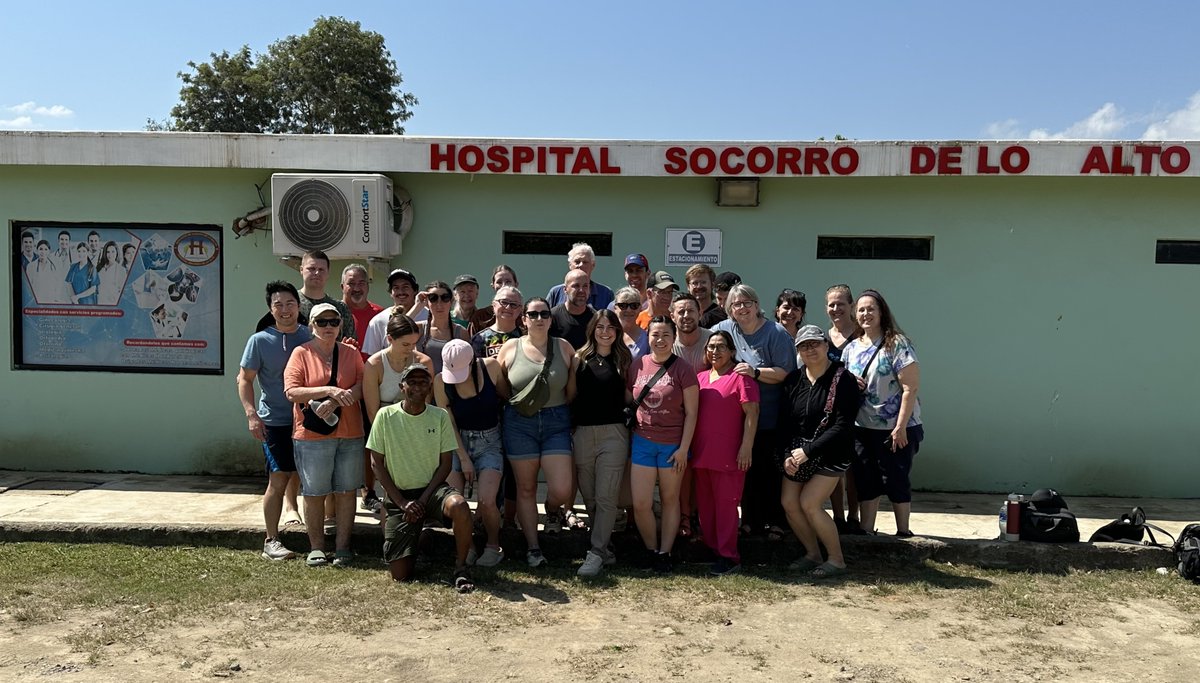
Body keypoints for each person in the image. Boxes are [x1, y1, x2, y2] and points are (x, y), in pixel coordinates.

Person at [368, 363, 476, 592]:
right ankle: (422, 539)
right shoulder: (385, 416)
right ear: (401, 386)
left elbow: (446, 463)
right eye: (412, 382)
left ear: (430, 387)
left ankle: (461, 567)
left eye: (423, 382)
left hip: (433, 491)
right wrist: (402, 503)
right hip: (400, 496)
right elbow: (376, 463)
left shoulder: (439, 416)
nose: (418, 387)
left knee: (460, 505)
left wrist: (423, 501)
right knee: (400, 575)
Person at [497, 297, 578, 567]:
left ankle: (553, 511)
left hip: (556, 420)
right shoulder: (510, 348)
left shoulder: (564, 348)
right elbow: (501, 387)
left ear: (551, 319)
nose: (539, 318)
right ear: (524, 319)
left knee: (562, 488)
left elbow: (572, 391)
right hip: (519, 423)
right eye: (533, 314)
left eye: (544, 314)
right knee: (527, 487)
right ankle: (533, 547)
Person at [283, 303, 366, 567]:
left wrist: (341, 399)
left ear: (340, 325)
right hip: (312, 435)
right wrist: (328, 391)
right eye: (322, 322)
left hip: (350, 433)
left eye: (333, 321)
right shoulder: (301, 353)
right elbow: (292, 391)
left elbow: (363, 384)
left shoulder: (352, 353)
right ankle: (316, 547)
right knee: (315, 492)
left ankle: (343, 547)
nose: (328, 327)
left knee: (346, 491)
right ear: (312, 326)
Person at [714, 283, 797, 540]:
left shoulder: (776, 333)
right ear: (729, 310)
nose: (742, 308)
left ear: (757, 305)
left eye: (747, 302)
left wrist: (756, 372)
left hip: (770, 417)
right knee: (745, 472)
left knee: (768, 471)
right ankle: (749, 521)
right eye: (736, 304)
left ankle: (774, 522)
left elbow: (787, 373)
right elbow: (711, 349)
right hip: (737, 419)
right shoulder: (725, 330)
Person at [779, 325, 861, 578]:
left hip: (832, 453)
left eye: (815, 343)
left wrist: (808, 451)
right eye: (804, 346)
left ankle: (836, 560)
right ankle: (812, 554)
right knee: (789, 503)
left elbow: (843, 425)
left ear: (826, 346)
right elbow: (784, 422)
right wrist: (786, 455)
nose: (810, 349)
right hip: (798, 451)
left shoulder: (844, 379)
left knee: (810, 503)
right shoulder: (793, 380)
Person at [237, 281, 311, 560]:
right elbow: (244, 379)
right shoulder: (259, 340)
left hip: (308, 420)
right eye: (278, 304)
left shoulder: (310, 335)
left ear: (298, 306)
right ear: (270, 309)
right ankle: (271, 540)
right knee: (278, 478)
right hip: (274, 421)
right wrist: (251, 414)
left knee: (311, 479)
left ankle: (318, 538)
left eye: (290, 303)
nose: (284, 310)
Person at [842, 290, 923, 537]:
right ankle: (867, 530)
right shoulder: (852, 347)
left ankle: (903, 532)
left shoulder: (897, 343)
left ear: (881, 313)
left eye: (871, 309)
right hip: (862, 426)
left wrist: (899, 427)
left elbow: (910, 387)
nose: (866, 314)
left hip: (896, 427)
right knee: (866, 478)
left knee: (896, 478)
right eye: (861, 310)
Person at [627, 316, 698, 573]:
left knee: (670, 500)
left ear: (674, 337)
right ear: (648, 336)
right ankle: (650, 549)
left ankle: (665, 553)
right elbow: (629, 400)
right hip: (642, 442)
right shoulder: (637, 365)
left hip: (672, 446)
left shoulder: (684, 369)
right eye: (655, 334)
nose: (660, 340)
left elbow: (692, 413)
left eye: (666, 335)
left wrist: (683, 449)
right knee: (642, 503)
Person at [433, 339, 508, 567]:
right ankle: (468, 547)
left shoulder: (491, 367)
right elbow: (448, 422)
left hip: (490, 440)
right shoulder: (440, 382)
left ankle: (494, 546)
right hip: (457, 441)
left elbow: (505, 395)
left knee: (486, 500)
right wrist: (463, 458)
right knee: (457, 502)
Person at [692, 330, 758, 575]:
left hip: (729, 455)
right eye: (710, 347)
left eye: (721, 347)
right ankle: (712, 550)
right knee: (707, 507)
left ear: (732, 351)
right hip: (701, 454)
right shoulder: (699, 377)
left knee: (726, 508)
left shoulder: (741, 377)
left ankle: (729, 556)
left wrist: (746, 447)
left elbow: (752, 413)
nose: (714, 351)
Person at [572, 309, 633, 577]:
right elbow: (570, 395)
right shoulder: (578, 358)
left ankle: (595, 553)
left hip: (614, 434)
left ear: (618, 331)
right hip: (583, 433)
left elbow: (632, 397)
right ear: (592, 330)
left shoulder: (625, 359)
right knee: (590, 497)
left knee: (607, 496)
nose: (605, 331)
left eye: (611, 327)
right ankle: (605, 550)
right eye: (600, 327)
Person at [363, 313, 434, 512]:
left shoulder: (424, 362)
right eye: (405, 344)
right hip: (386, 428)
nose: (412, 349)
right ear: (389, 339)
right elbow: (372, 412)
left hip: (417, 427)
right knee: (391, 483)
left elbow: (426, 404)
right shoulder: (374, 364)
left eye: (415, 343)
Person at [669, 292, 712, 540]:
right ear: (672, 315)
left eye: (690, 310)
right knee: (682, 469)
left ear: (700, 313)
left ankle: (700, 515)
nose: (686, 316)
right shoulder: (666, 342)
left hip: (708, 416)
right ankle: (684, 515)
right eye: (681, 311)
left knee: (703, 469)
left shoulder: (711, 341)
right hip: (676, 418)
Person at [824, 284, 863, 533]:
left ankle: (854, 517)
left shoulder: (862, 335)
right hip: (829, 411)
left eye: (841, 304)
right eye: (831, 304)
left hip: (859, 411)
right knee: (833, 467)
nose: (836, 309)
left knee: (854, 469)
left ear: (852, 306)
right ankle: (838, 517)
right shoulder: (823, 337)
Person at [362, 268, 426, 356]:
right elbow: (372, 357)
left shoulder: (429, 316)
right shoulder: (378, 321)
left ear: (415, 290)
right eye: (396, 288)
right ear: (391, 293)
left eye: (405, 287)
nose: (401, 292)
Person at [414, 280, 470, 374]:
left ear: (451, 301)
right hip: (424, 386)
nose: (439, 304)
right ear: (427, 303)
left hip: (451, 384)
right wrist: (417, 306)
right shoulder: (419, 328)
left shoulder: (461, 332)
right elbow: (396, 332)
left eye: (445, 298)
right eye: (433, 298)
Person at [546, 242, 614, 310]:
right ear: (570, 265)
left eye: (585, 262)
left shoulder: (606, 293)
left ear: (593, 265)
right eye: (577, 261)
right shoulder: (556, 293)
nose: (581, 265)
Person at [340, 263, 383, 360]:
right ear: (342, 287)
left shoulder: (380, 314)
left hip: (372, 373)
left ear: (368, 286)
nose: (356, 288)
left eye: (361, 283)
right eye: (351, 283)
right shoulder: (332, 314)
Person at [549, 269, 596, 350]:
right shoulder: (552, 317)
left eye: (585, 286)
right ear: (565, 289)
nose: (581, 290)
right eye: (576, 286)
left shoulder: (596, 318)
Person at [472, 285, 524, 358]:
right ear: (494, 305)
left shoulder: (526, 337)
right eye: (504, 302)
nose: (508, 307)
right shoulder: (479, 339)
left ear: (520, 309)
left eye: (514, 304)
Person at [467, 265, 519, 336]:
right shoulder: (480, 317)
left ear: (516, 284)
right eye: (499, 282)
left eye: (508, 281)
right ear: (493, 286)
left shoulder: (524, 317)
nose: (503, 285)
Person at [686, 264, 727, 329]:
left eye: (703, 282)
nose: (699, 286)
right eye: (695, 283)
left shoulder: (721, 316)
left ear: (712, 284)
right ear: (688, 286)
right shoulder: (685, 315)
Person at [613, 286, 649, 359]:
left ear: (640, 308)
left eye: (634, 305)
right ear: (615, 308)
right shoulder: (607, 335)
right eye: (623, 306)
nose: (629, 310)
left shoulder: (647, 339)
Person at [26, 240, 66, 304]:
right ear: (37, 250)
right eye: (41, 249)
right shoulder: (31, 266)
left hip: (51, 300)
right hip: (37, 300)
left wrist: (56, 298)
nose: (43, 252)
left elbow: (58, 284)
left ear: (49, 251)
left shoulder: (54, 267)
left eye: (45, 249)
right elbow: (28, 286)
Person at [96, 240, 126, 305]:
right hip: (99, 301)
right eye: (108, 252)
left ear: (117, 253)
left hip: (112, 302)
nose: (110, 255)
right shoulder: (100, 267)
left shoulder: (121, 270)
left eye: (113, 252)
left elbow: (122, 290)